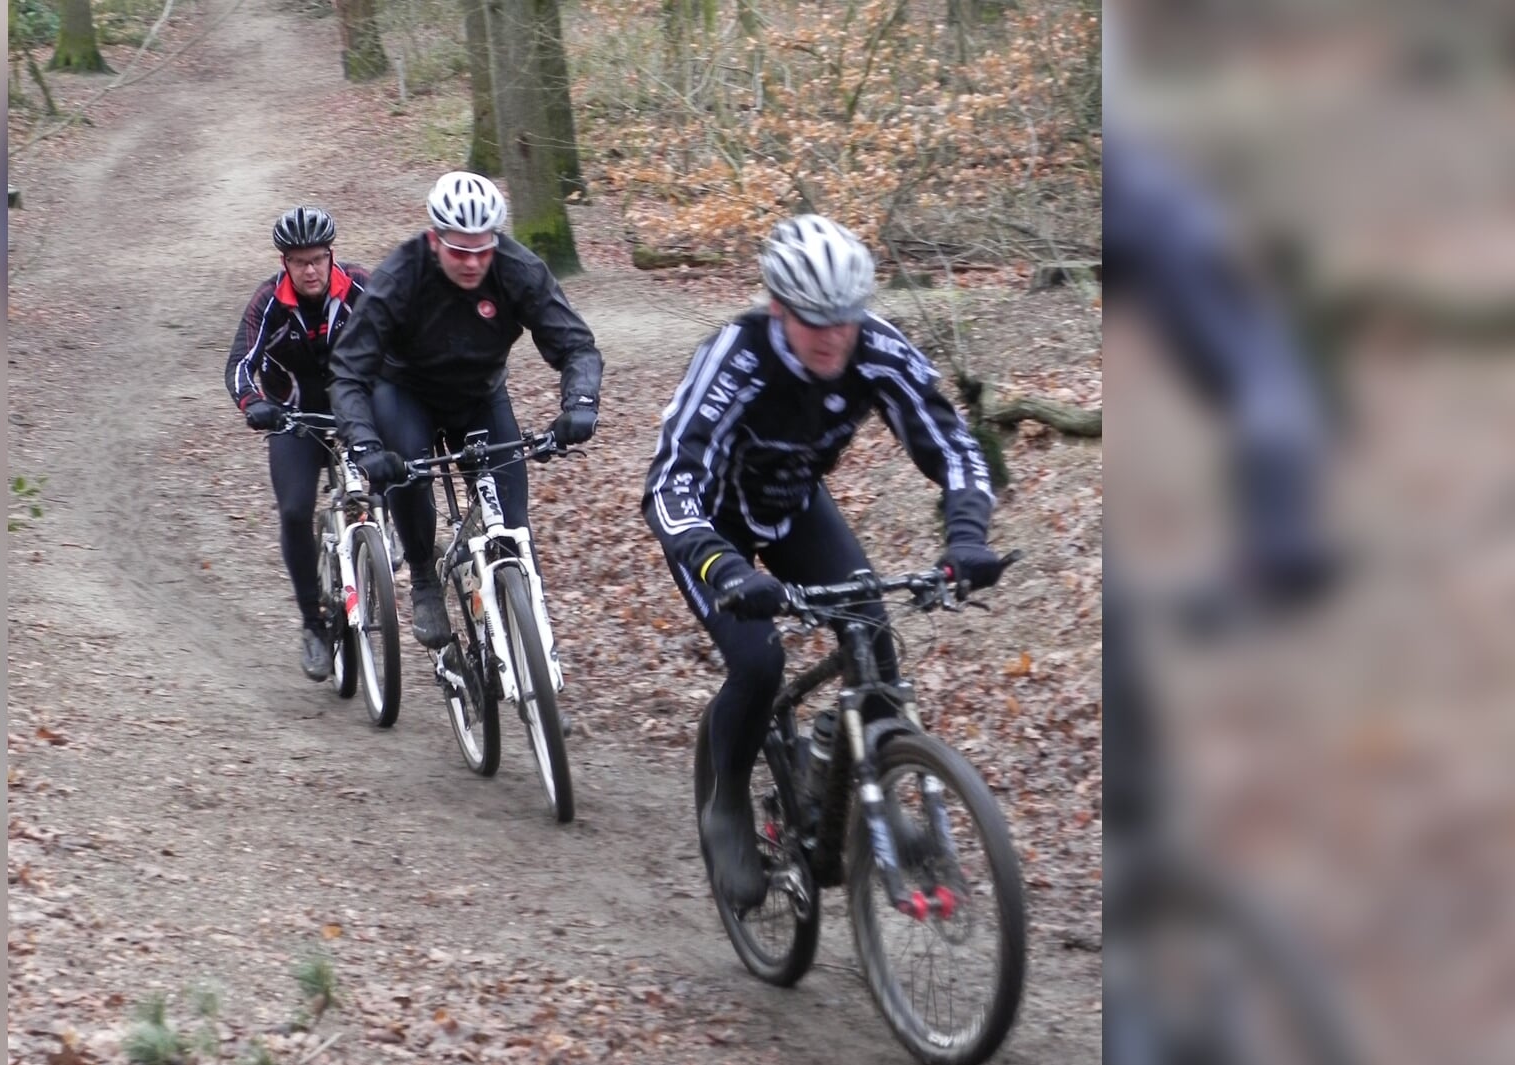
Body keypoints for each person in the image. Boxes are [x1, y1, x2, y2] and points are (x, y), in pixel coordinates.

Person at [643, 215, 1007, 909]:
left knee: (869, 626)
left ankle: (866, 784)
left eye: (847, 318)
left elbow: (954, 445)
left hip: (793, 509)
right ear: (778, 307)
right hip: (709, 527)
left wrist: (966, 538)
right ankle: (726, 804)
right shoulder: (736, 360)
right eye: (816, 320)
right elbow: (669, 483)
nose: (835, 335)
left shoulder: (876, 349)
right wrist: (724, 569)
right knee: (759, 663)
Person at [328, 171, 603, 649]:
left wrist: (579, 403)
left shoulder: (517, 268)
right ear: (435, 239)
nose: (473, 262)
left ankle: (535, 651)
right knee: (407, 472)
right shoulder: (401, 275)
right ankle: (423, 578)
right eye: (459, 251)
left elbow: (576, 345)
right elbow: (349, 373)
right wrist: (366, 444)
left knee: (513, 528)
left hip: (479, 395)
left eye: (483, 249)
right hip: (405, 392)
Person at [225, 206, 374, 680]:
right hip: (295, 417)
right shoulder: (268, 301)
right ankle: (313, 623)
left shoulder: (360, 287)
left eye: (318, 259)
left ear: (332, 256)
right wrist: (254, 404)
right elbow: (239, 364)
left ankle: (395, 544)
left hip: (357, 412)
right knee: (294, 511)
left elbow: (403, 340)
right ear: (284, 263)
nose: (310, 270)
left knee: (394, 466)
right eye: (299, 262)